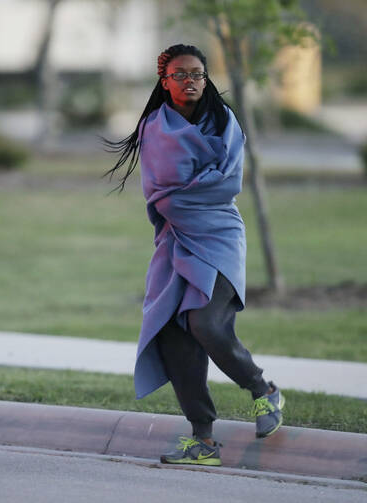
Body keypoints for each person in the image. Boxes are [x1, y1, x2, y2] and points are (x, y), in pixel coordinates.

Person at [105, 44, 284, 466]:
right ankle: (203, 440)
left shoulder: (224, 121)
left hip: (219, 236)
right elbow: (162, 194)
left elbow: (227, 184)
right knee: (173, 334)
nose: (191, 81)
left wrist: (187, 194)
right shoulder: (154, 127)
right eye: (180, 74)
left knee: (205, 321)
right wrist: (192, 191)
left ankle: (263, 389)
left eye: (198, 74)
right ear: (164, 81)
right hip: (174, 241)